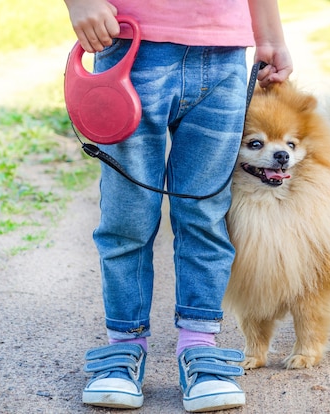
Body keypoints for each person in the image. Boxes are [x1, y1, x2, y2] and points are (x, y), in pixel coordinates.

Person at [63, 0, 293, 411]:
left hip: (224, 57)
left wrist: (270, 35)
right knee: (127, 217)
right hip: (131, 45)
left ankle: (200, 349)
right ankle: (124, 348)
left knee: (205, 214)